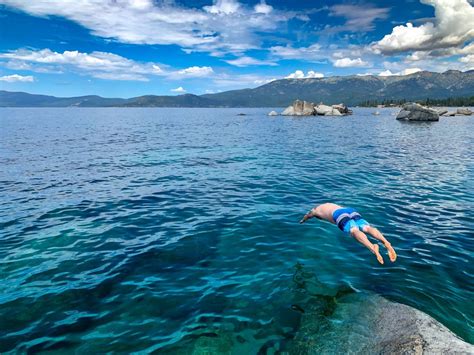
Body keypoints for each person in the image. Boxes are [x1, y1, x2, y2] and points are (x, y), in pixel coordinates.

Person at [300, 203, 396, 265]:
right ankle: (386, 242)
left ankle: (372, 247)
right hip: (349, 210)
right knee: (366, 227)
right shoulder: (328, 204)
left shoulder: (315, 211)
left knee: (353, 230)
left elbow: (307, 215)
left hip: (337, 215)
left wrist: (303, 221)